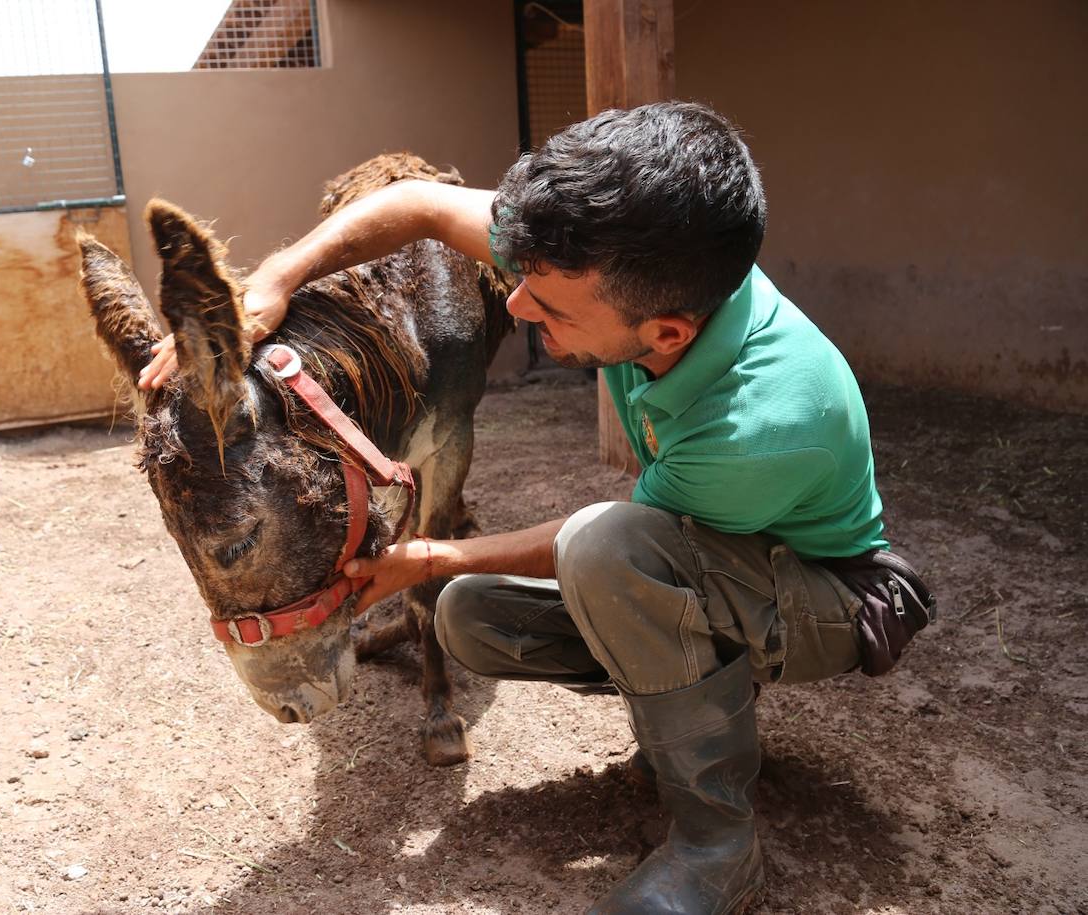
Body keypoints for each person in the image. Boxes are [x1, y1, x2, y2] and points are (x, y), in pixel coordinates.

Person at [140, 102, 932, 915]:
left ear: (665, 332)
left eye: (548, 310)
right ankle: (695, 710)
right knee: (473, 615)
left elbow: (629, 544)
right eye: (519, 281)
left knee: (602, 548)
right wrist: (275, 277)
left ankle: (717, 845)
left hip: (836, 594)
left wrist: (437, 555)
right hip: (728, 555)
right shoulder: (596, 257)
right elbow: (414, 201)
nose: (514, 308)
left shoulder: (764, 418)